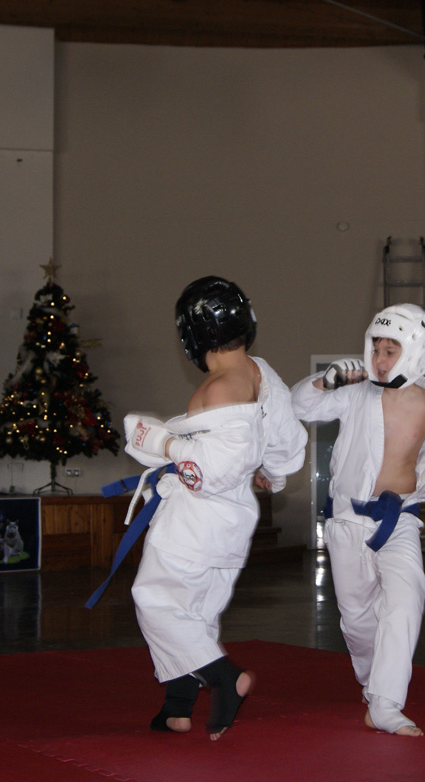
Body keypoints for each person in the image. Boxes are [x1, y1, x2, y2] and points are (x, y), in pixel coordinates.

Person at [291, 303, 425, 736]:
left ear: (416, 352)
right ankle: (372, 681)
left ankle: (386, 703)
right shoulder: (355, 392)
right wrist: (323, 380)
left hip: (400, 518)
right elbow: (299, 406)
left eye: (390, 350)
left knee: (407, 596)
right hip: (347, 520)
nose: (379, 359)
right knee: (357, 621)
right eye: (376, 348)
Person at [124, 276, 306, 740]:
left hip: (198, 515)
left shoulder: (219, 387)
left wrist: (160, 441)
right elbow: (288, 443)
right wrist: (273, 474)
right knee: (196, 611)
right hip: (234, 517)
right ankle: (177, 708)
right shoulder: (261, 374)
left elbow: (206, 470)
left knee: (156, 599)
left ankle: (225, 678)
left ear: (192, 334)